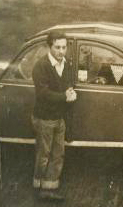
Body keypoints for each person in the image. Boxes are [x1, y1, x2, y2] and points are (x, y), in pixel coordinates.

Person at [31, 31, 77, 201]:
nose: (61, 51)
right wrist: (65, 96)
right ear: (49, 47)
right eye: (57, 47)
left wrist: (70, 91)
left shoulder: (66, 64)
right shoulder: (41, 66)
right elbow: (43, 93)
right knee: (44, 154)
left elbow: (67, 84)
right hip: (44, 119)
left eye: (64, 47)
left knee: (58, 153)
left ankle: (50, 187)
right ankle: (38, 188)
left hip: (59, 118)